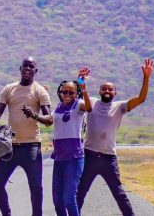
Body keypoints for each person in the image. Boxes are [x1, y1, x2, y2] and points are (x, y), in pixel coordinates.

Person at [76, 58, 154, 216]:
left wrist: (146, 77)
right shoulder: (92, 101)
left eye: (110, 89)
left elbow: (141, 99)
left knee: (119, 194)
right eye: (104, 89)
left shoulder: (120, 106)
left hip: (109, 158)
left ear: (115, 93)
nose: (107, 91)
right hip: (89, 156)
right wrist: (81, 83)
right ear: (99, 91)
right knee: (80, 192)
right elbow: (81, 97)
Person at [0, 57, 53, 216]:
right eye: (25, 66)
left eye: (31, 67)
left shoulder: (40, 91)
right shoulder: (9, 89)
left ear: (35, 71)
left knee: (36, 187)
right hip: (9, 147)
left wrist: (34, 115)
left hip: (31, 147)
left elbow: (49, 120)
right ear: (20, 68)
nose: (27, 69)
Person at [50, 68, 92, 216]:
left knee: (68, 198)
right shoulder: (58, 107)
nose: (67, 94)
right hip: (59, 157)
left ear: (76, 93)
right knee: (57, 200)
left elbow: (89, 107)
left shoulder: (79, 104)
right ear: (60, 92)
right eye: (64, 92)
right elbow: (48, 120)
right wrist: (34, 115)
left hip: (74, 157)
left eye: (71, 92)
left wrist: (83, 88)